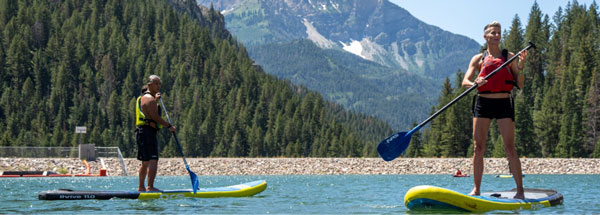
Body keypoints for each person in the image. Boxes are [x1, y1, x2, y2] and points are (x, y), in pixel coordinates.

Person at [461, 21, 528, 199]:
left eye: (499, 33)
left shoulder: (510, 57)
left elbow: (519, 84)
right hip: (483, 103)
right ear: (485, 36)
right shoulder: (478, 59)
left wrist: (520, 66)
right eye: (493, 33)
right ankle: (476, 189)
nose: (497, 35)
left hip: (504, 103)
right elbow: (465, 82)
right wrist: (475, 82)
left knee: (509, 148)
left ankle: (520, 190)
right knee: (478, 148)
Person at [135, 75, 176, 191]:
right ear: (149, 85)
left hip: (142, 132)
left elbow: (148, 111)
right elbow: (155, 117)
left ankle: (141, 187)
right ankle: (150, 186)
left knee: (145, 161)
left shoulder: (144, 98)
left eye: (159, 84)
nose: (158, 86)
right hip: (147, 132)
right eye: (156, 84)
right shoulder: (150, 99)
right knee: (153, 160)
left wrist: (156, 101)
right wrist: (169, 126)